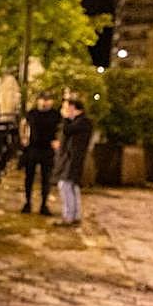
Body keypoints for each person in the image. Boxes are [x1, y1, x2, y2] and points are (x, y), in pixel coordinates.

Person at [52, 97, 93, 227]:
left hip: (73, 159)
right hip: (71, 159)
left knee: (65, 185)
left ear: (72, 107)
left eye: (66, 107)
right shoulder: (79, 121)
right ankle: (75, 215)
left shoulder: (83, 121)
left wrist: (65, 117)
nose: (63, 110)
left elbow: (67, 130)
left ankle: (69, 216)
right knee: (72, 186)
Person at [21, 92, 61, 215]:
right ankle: (28, 203)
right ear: (38, 101)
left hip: (47, 149)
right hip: (33, 148)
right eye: (42, 99)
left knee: (46, 178)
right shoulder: (32, 113)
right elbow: (23, 124)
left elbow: (61, 128)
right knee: (29, 177)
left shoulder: (55, 114)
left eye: (47, 100)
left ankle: (44, 204)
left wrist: (58, 141)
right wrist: (23, 138)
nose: (44, 102)